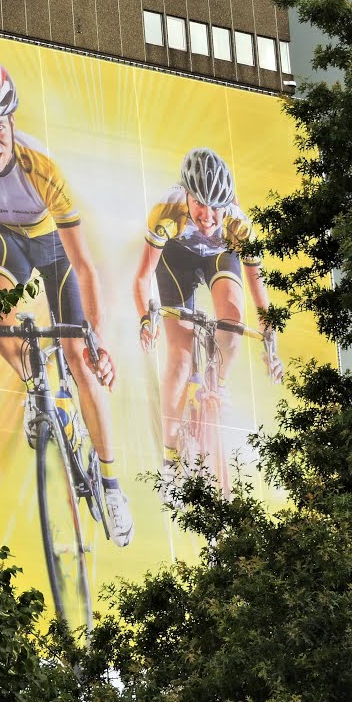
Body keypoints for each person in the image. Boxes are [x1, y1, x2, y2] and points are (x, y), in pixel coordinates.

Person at [0, 47, 134, 546]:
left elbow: (85, 265)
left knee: (76, 353)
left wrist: (98, 341)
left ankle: (111, 485)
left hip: (56, 249)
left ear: (12, 120)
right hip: (5, 238)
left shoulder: (41, 165)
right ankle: (36, 385)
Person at [133, 147, 283, 504]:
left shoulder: (238, 224)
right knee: (181, 358)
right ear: (187, 194)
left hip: (219, 257)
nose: (208, 215)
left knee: (232, 322)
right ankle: (170, 455)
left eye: (217, 206)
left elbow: (258, 292)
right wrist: (145, 318)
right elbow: (141, 277)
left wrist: (270, 342)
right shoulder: (166, 212)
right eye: (200, 204)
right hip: (176, 261)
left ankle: (219, 384)